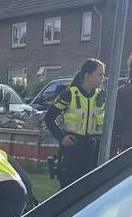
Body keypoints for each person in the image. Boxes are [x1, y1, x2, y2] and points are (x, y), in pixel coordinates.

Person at [44, 58, 106, 189]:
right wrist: (62, 138)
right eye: (100, 74)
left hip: (93, 152)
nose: (103, 78)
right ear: (87, 76)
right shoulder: (69, 94)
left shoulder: (103, 96)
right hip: (73, 151)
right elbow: (49, 118)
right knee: (69, 190)